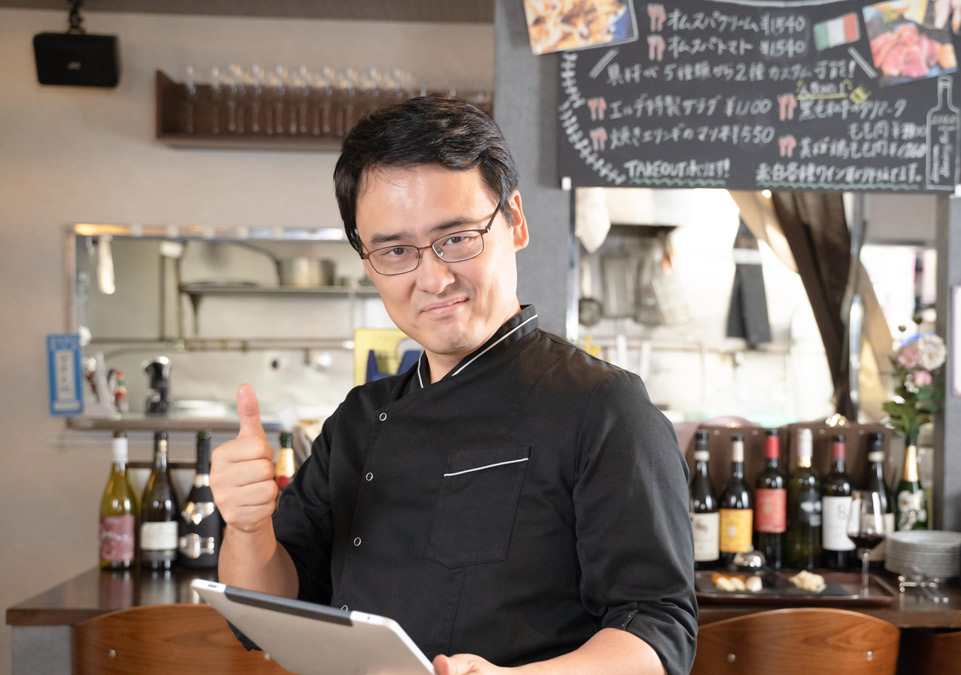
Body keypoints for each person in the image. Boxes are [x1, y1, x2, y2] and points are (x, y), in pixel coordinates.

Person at [211, 96, 698, 675]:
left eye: (458, 238)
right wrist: (247, 529)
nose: (434, 278)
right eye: (396, 251)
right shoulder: (360, 418)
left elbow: (656, 623)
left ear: (514, 221)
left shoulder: (604, 407)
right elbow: (270, 606)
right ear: (368, 262)